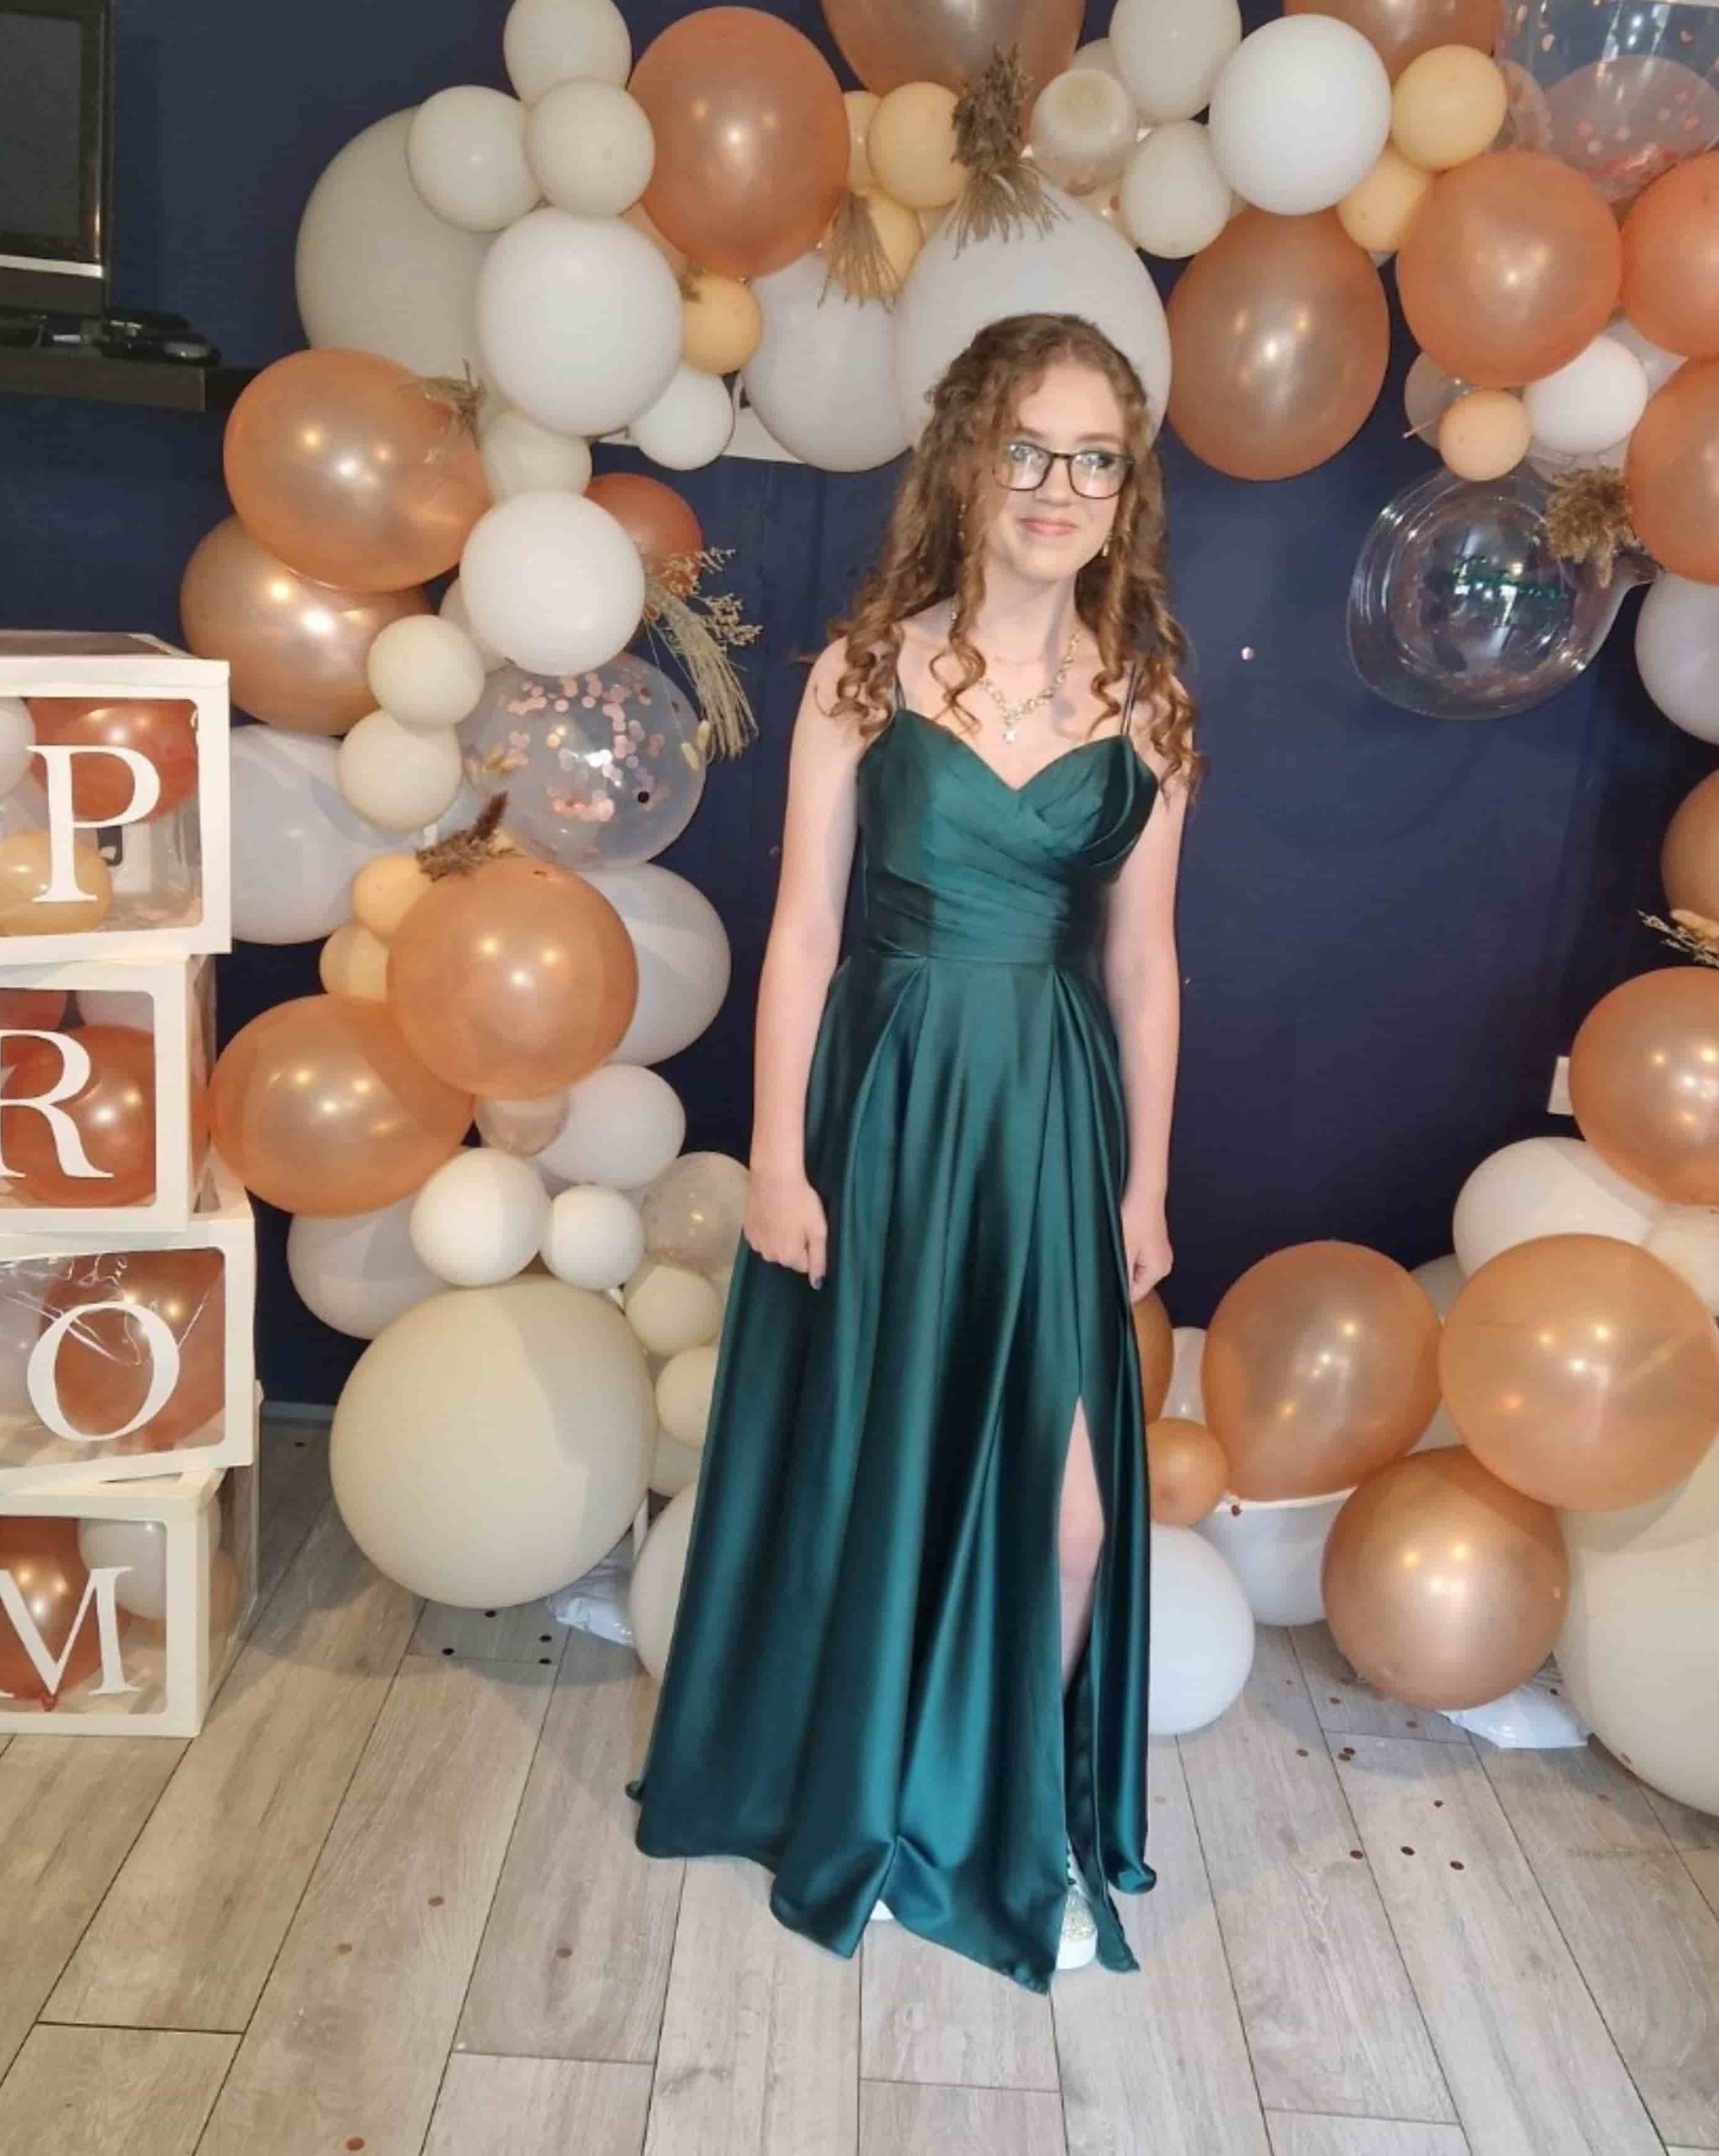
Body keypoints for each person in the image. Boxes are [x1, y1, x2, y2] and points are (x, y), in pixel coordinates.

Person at [623, 311, 1200, 1994]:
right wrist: (782, 1159)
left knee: (1079, 1509)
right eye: (1029, 447)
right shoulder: (866, 671)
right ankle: (871, 1807)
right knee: (877, 1467)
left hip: (1050, 1117)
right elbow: (800, 933)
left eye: (1094, 457)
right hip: (885, 1100)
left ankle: (1026, 1831)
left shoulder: (1149, 699)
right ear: (966, 458)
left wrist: (1148, 1181)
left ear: (1125, 487)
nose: (1059, 487)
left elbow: (1148, 962)